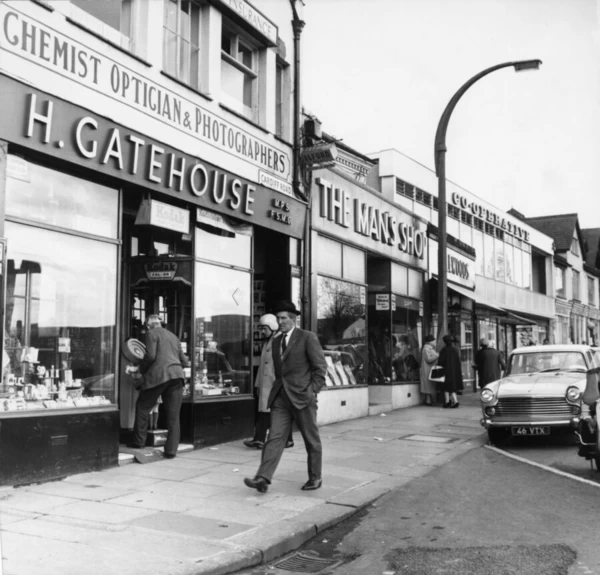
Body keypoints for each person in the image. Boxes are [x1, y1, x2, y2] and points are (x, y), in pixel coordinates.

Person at [244, 301, 327, 493]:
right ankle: (263, 478)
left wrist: (312, 390)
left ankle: (315, 477)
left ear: (293, 319)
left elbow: (320, 368)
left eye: (283, 318)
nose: (280, 322)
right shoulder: (275, 342)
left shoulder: (307, 338)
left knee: (310, 438)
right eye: (278, 318)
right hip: (280, 397)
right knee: (274, 438)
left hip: (302, 396)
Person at [128, 315, 190, 459]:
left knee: (143, 407)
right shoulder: (173, 336)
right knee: (173, 416)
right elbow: (185, 361)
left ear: (149, 325)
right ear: (160, 323)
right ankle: (171, 451)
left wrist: (139, 370)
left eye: (146, 326)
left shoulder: (151, 334)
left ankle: (139, 442)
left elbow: (150, 357)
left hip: (159, 376)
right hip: (176, 376)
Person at [243, 314, 294, 449]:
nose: (262, 331)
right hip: (267, 384)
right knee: (266, 412)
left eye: (264, 328)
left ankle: (265, 439)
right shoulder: (269, 341)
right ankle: (262, 439)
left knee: (275, 412)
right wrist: (258, 384)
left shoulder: (280, 341)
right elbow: (262, 365)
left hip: (274, 384)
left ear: (272, 327)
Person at [437, 334, 463, 408]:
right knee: (453, 386)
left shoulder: (444, 350)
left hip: (446, 370)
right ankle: (453, 401)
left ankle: (449, 401)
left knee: (446, 387)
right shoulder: (456, 349)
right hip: (455, 370)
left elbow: (441, 361)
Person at [419, 334, 438, 405]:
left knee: (429, 385)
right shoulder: (426, 349)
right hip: (427, 369)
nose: (435, 342)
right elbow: (429, 359)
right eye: (433, 340)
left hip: (430, 369)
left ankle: (429, 400)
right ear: (430, 341)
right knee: (428, 385)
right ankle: (428, 401)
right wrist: (437, 356)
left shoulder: (430, 348)